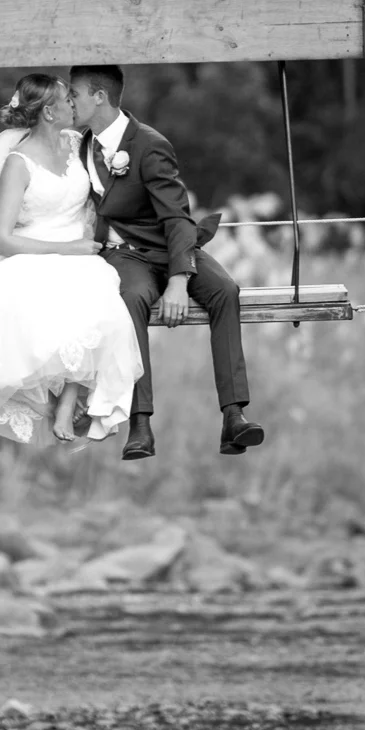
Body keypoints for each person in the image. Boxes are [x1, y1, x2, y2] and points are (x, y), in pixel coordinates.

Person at [68, 64, 264, 463]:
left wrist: (179, 280)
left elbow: (176, 218)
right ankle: (140, 423)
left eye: (75, 94)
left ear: (99, 96)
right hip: (124, 254)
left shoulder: (149, 144)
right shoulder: (80, 145)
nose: (70, 102)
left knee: (226, 290)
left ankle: (234, 415)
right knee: (131, 299)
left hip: (170, 246)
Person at [0, 73, 143, 445]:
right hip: (37, 252)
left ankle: (68, 400)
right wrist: (68, 250)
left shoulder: (77, 143)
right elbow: (0, 239)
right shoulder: (18, 163)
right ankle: (55, 402)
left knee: (104, 305)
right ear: (49, 112)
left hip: (82, 253)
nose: (73, 104)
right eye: (67, 100)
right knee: (36, 311)